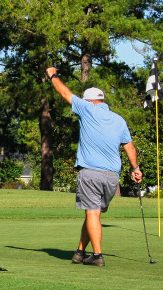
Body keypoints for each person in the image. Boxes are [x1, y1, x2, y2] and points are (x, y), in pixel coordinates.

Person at [46, 67, 143, 267]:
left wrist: (52, 75)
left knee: (92, 213)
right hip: (111, 177)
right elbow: (129, 146)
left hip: (90, 172)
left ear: (89, 101)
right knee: (94, 213)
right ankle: (80, 252)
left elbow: (64, 93)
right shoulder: (119, 119)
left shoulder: (86, 109)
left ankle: (97, 255)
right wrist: (136, 168)